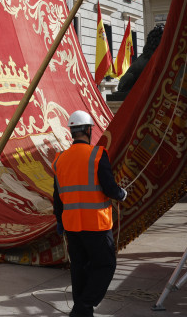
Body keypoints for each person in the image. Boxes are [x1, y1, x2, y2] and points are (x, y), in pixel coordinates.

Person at [53, 110, 128, 317]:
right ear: (88, 130)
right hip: (96, 224)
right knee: (106, 265)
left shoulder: (60, 160)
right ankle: (83, 307)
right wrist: (121, 194)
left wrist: (59, 221)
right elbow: (110, 188)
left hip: (71, 226)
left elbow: (57, 196)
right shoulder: (97, 155)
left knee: (79, 267)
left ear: (72, 132)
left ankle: (82, 309)